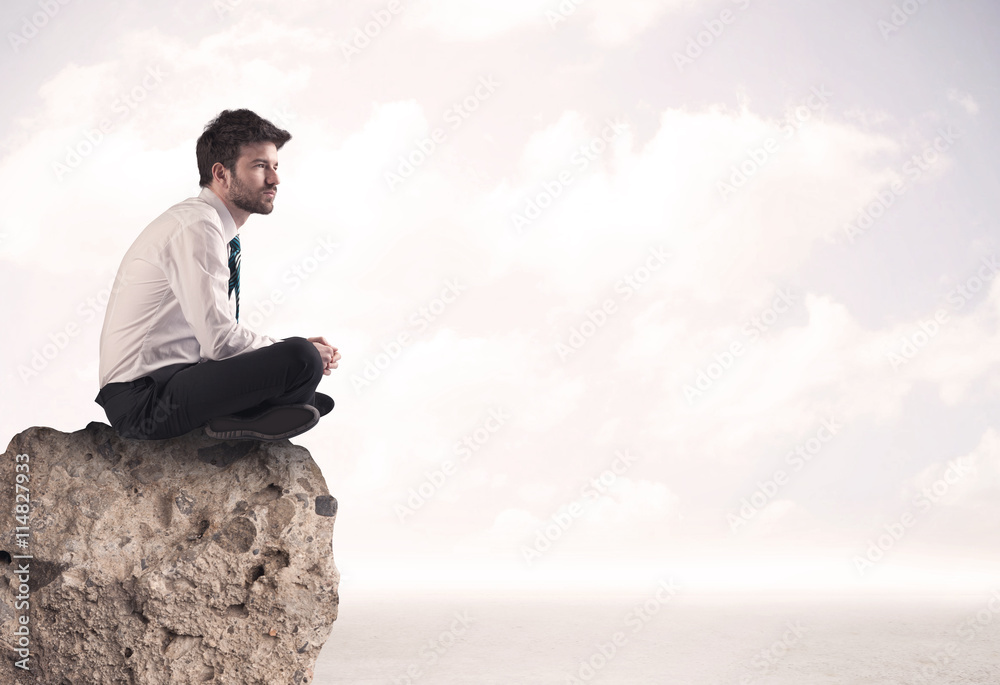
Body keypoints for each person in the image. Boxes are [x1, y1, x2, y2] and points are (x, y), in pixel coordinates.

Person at [94, 109, 340, 441]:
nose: (274, 180)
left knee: (300, 368)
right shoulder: (197, 224)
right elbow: (220, 342)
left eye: (276, 166)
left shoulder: (214, 230)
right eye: (259, 166)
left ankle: (257, 411)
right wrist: (284, 351)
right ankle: (248, 414)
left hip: (173, 382)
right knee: (301, 358)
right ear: (221, 174)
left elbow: (214, 346)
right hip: (144, 400)